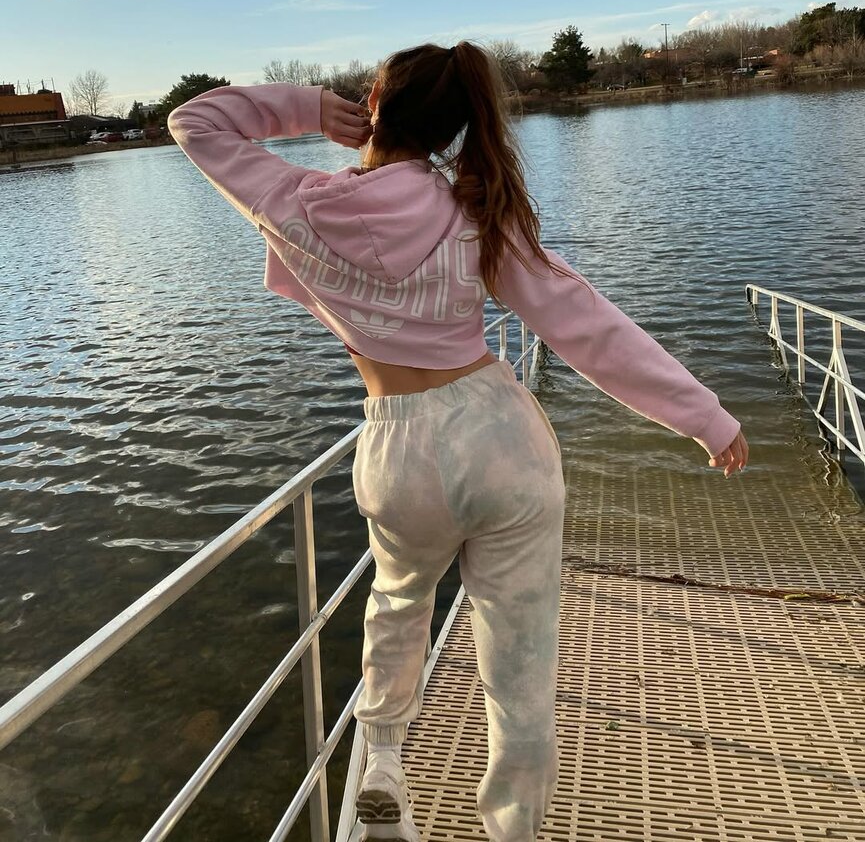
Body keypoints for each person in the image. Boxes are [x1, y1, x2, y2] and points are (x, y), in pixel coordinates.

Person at [168, 42, 748, 842]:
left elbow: (195, 122)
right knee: (519, 661)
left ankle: (382, 757)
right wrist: (703, 417)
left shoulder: (297, 201)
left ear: (374, 101)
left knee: (397, 601)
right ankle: (513, 829)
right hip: (498, 437)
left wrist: (310, 109)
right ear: (452, 128)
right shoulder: (475, 212)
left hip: (398, 445)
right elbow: (584, 324)